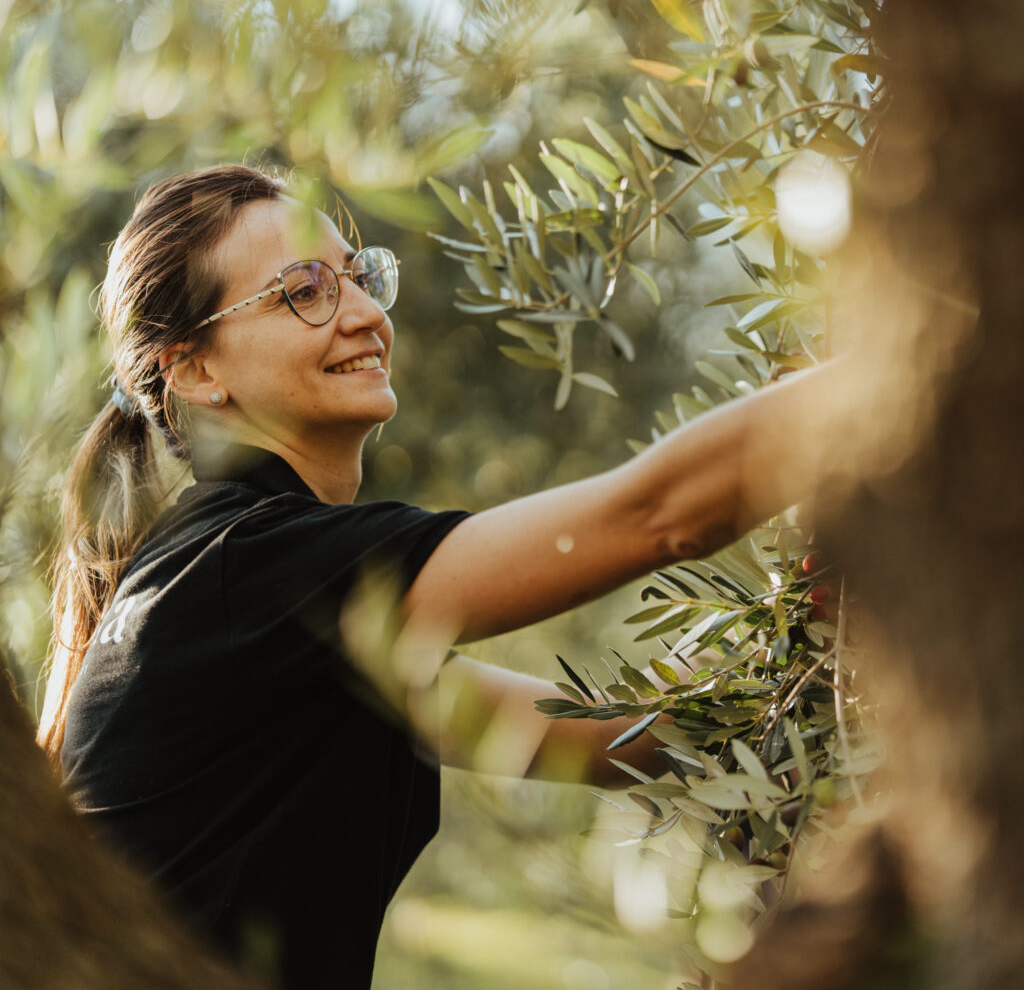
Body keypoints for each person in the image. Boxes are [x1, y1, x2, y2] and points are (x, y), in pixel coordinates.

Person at [36, 164, 839, 990]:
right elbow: (661, 517)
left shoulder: (269, 605)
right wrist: (897, 378)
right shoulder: (242, 574)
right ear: (197, 369)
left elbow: (625, 741)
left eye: (359, 276)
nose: (364, 315)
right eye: (304, 291)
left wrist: (808, 627)